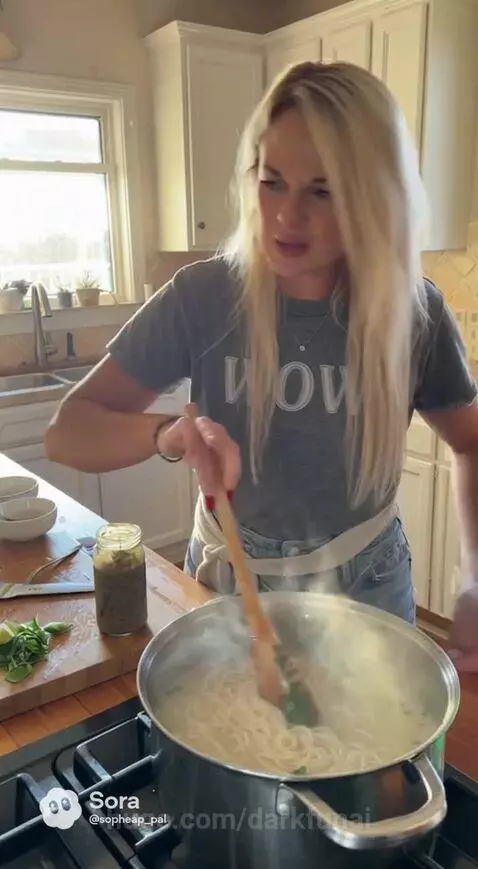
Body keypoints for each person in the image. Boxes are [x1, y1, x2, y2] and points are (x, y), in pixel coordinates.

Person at [45, 61, 478, 672]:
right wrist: (169, 434)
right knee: (233, 758)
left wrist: (474, 580)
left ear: (373, 197)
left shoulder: (414, 312)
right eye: (271, 181)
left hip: (369, 582)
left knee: (367, 763)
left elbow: (472, 445)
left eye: (322, 191)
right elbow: (69, 430)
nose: (285, 216)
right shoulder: (203, 297)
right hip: (232, 580)